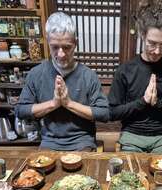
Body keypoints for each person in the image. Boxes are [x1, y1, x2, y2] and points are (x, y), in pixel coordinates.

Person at [108, 1, 162, 154]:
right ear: (142, 35)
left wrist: (158, 103)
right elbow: (112, 112)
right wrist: (143, 102)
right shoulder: (125, 70)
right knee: (129, 175)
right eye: (152, 43)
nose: (157, 50)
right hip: (132, 136)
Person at [15, 12, 109, 151]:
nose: (61, 54)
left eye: (67, 47)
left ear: (75, 44)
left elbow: (104, 113)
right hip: (49, 142)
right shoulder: (36, 74)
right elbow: (20, 110)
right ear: (47, 42)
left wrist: (68, 103)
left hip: (82, 141)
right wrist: (54, 103)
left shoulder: (88, 75)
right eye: (54, 47)